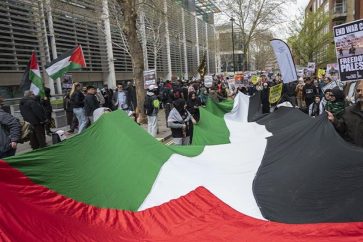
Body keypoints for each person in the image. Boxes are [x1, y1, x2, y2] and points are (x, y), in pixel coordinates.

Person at [328, 81, 363, 147]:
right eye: (358, 90)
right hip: (355, 151)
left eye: (362, 90)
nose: (360, 93)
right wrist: (334, 120)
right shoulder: (348, 111)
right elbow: (342, 128)